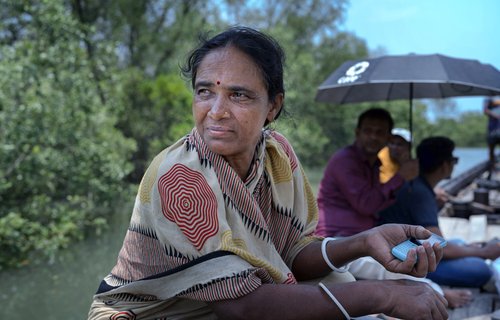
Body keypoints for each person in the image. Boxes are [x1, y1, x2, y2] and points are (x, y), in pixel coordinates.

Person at [87, 27, 448, 320]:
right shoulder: (180, 179)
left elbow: (292, 253)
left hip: (220, 306)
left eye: (238, 95)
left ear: (273, 106)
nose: (216, 111)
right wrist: (380, 294)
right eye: (204, 92)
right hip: (149, 314)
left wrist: (365, 241)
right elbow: (242, 306)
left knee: (343, 283)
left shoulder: (276, 154)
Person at [379, 136, 500, 290]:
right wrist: (483, 252)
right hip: (406, 260)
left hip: (409, 247)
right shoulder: (421, 194)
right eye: (453, 160)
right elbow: (439, 246)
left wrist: (473, 250)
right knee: (480, 270)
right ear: (444, 165)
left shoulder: (417, 186)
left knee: (459, 243)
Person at [316, 108, 419, 237]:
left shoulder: (375, 164)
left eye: (379, 132)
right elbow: (366, 205)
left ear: (388, 137)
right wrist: (400, 176)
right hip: (337, 236)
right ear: (357, 133)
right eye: (367, 131)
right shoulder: (345, 160)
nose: (373, 137)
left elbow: (379, 201)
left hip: (362, 235)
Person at [483, 97, 500, 178]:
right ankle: (492, 170)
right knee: (491, 152)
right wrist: (497, 116)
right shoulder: (488, 97)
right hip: (492, 130)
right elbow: (485, 110)